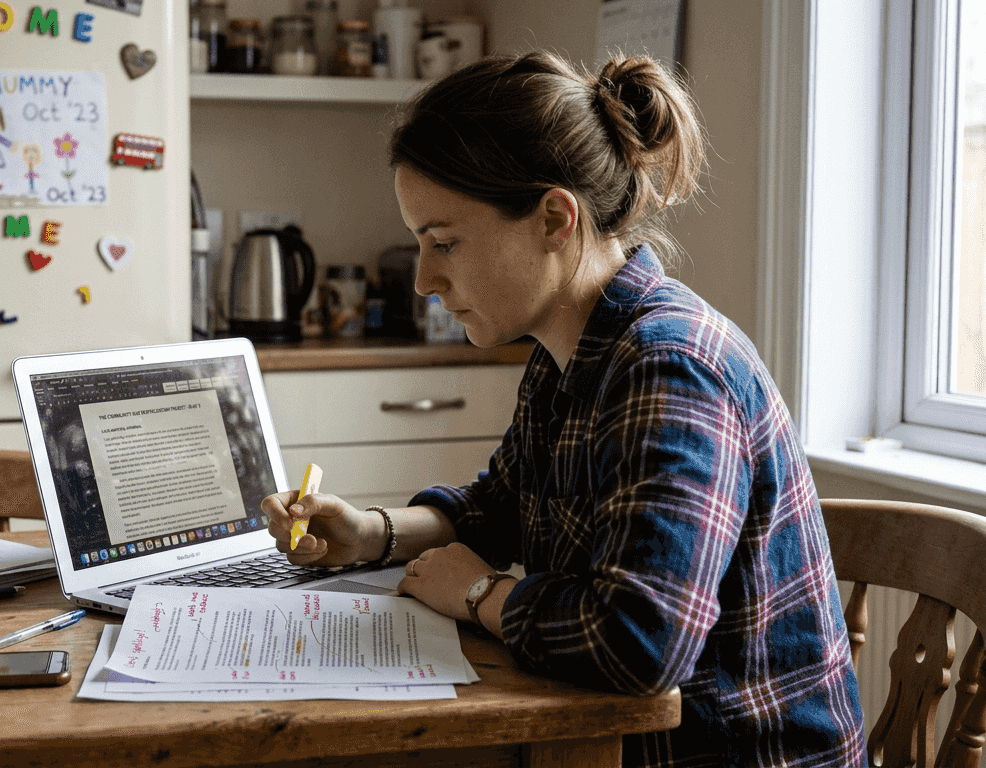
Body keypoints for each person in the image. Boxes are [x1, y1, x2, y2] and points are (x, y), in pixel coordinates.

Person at [262, 52, 866, 767]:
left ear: (554, 217)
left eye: (444, 242)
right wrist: (372, 534)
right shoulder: (566, 349)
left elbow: (640, 645)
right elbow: (502, 503)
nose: (424, 279)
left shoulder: (670, 368)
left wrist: (482, 591)